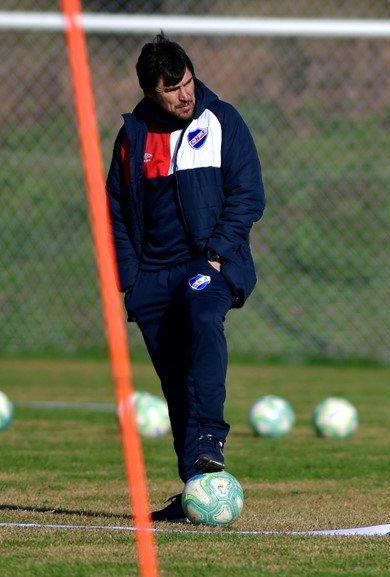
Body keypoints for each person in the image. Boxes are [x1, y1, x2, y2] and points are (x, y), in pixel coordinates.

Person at [105, 33, 265, 522]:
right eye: (171, 89)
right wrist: (128, 278)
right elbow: (113, 207)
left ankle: (210, 443)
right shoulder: (134, 137)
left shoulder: (223, 122)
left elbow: (248, 195)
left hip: (207, 264)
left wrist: (214, 258)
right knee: (175, 380)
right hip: (152, 276)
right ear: (151, 94)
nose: (185, 95)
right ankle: (197, 485)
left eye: (188, 82)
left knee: (202, 321)